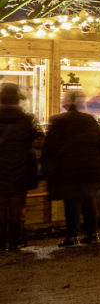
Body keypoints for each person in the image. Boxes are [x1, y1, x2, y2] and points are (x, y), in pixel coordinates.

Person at [40, 90, 100, 246]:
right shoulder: (90, 120)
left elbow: (50, 146)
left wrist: (48, 165)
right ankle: (93, 234)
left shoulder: (59, 120)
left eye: (64, 98)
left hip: (69, 167)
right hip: (90, 167)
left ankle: (73, 236)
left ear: (69, 102)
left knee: (72, 201)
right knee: (89, 199)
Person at [0, 83, 41, 251]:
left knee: (1, 205)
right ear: (18, 100)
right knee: (18, 206)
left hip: (0, 167)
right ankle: (17, 241)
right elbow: (38, 140)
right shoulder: (27, 119)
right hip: (21, 167)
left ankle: (1, 243)